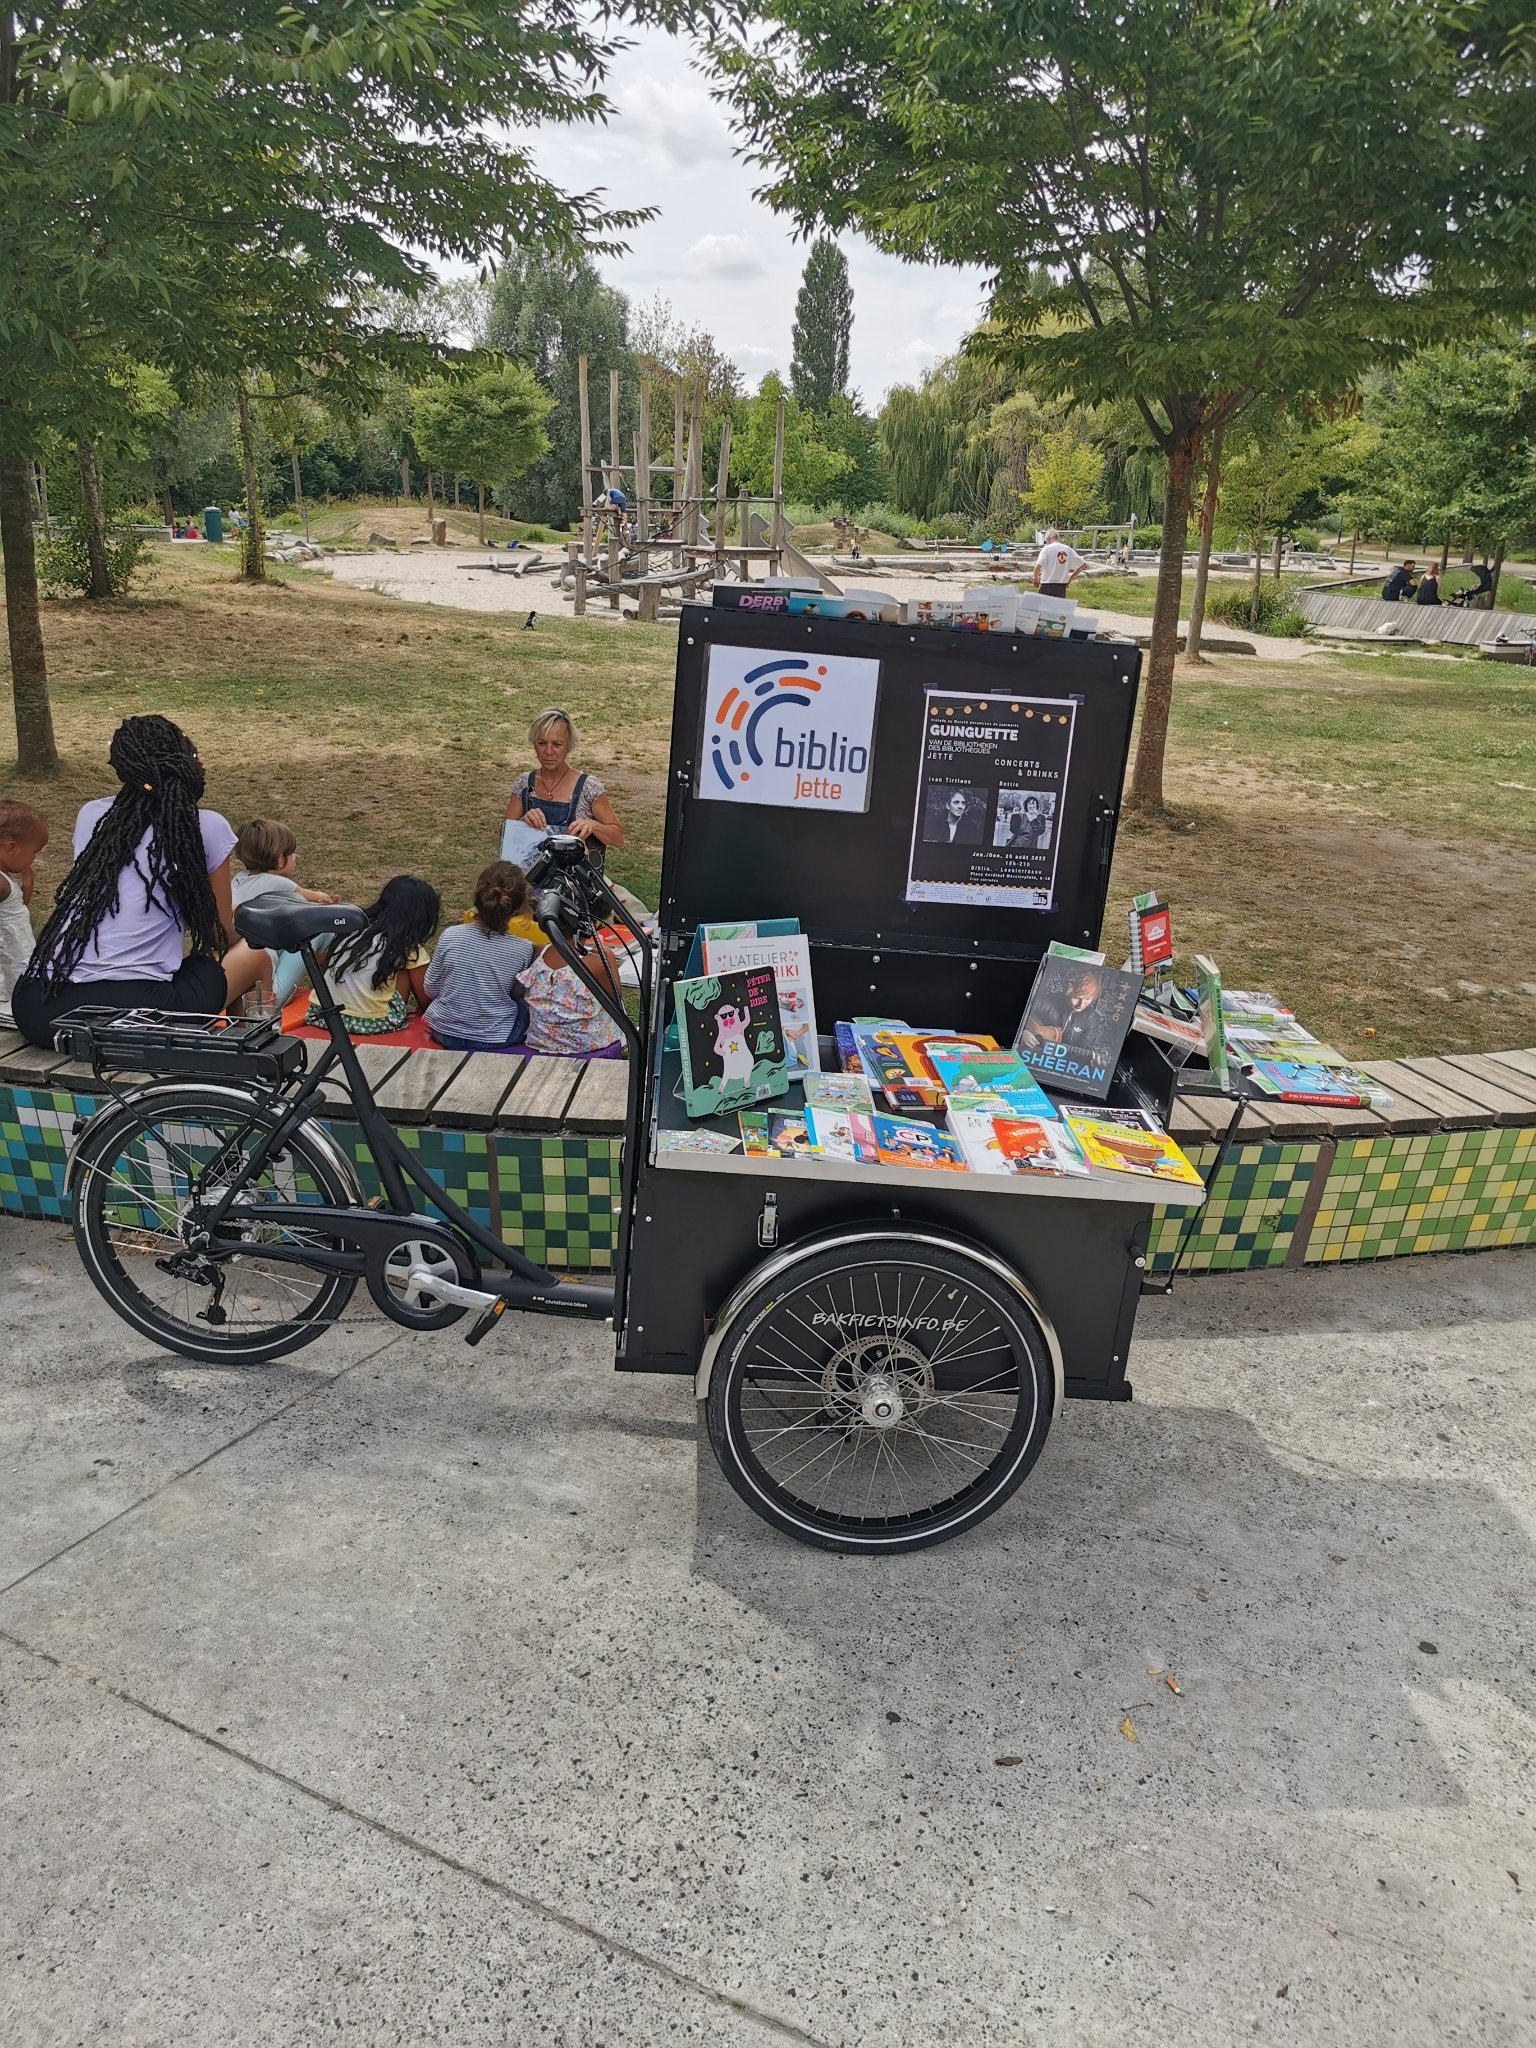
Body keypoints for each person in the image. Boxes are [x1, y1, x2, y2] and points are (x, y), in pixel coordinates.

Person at [11, 715, 271, 1047]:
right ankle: (245, 1058)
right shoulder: (206, 825)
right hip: (134, 1006)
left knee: (195, 968)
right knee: (252, 953)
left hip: (40, 1008)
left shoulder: (92, 815)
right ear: (188, 762)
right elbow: (220, 931)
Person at [423, 861, 537, 1053]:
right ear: (520, 907)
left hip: (443, 1031)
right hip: (496, 1037)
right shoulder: (523, 949)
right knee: (526, 1007)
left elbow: (430, 988)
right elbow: (519, 994)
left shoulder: (451, 935)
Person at [307, 874, 439, 1036]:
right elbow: (426, 1001)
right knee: (404, 966)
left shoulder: (352, 929)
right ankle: (383, 1006)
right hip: (371, 1022)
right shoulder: (407, 946)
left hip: (323, 1014)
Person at [232, 818, 339, 1007]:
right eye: (291, 853)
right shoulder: (277, 883)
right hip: (268, 996)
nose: (295, 857)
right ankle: (337, 988)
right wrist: (326, 899)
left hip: (238, 970)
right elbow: (315, 898)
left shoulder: (239, 879)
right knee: (322, 928)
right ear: (281, 860)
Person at [505, 708, 624, 873]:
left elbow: (617, 837)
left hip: (575, 884)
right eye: (542, 743)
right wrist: (522, 823)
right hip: (529, 880)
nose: (548, 752)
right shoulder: (524, 784)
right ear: (534, 744)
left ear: (568, 745)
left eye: (556, 744)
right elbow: (505, 837)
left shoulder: (588, 787)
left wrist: (593, 825)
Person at [521, 932, 624, 1058]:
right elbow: (615, 998)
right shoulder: (597, 960)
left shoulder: (538, 952)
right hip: (587, 1044)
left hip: (540, 1042)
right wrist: (608, 956)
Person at [0, 799, 49, 1011]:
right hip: (8, 965)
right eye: (34, 852)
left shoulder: (5, 878)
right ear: (12, 847)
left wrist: (26, 888)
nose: (34, 858)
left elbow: (13, 913)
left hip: (18, 959)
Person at [1032, 530, 1088, 598]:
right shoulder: (1068, 549)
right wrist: (1070, 578)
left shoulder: (1047, 549)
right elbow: (1082, 564)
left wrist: (1035, 578)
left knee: (1043, 608)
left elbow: (1038, 566)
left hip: (1047, 586)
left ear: (1048, 538)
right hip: (1061, 588)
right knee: (1058, 608)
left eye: (1046, 541)